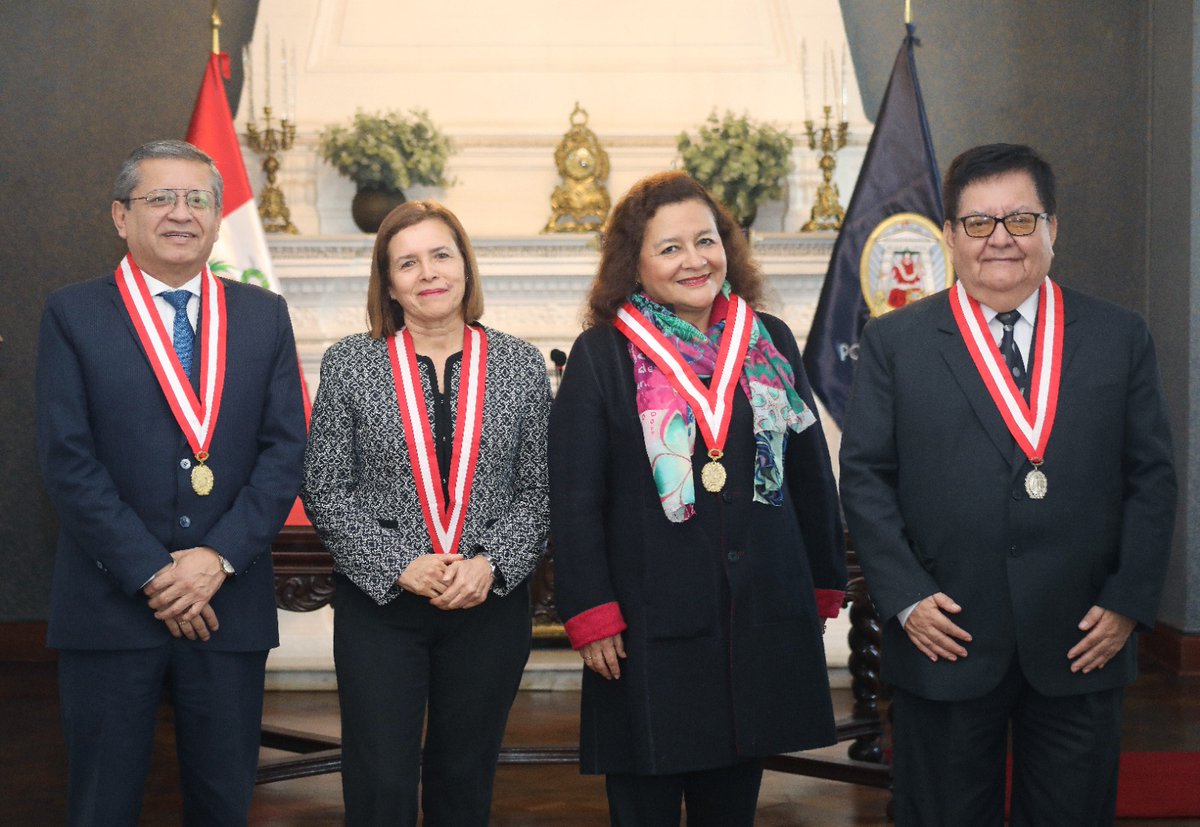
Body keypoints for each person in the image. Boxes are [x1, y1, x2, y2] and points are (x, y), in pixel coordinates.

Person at [839, 143, 1177, 826]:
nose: (1000, 239)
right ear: (949, 236)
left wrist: (1128, 602)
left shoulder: (1119, 336)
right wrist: (904, 597)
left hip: (1084, 637)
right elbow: (866, 478)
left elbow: (1153, 477)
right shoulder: (896, 342)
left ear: (1053, 228)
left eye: (1021, 220)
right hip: (946, 634)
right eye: (978, 222)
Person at [549, 171, 847, 826]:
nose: (695, 260)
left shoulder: (768, 338)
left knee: (730, 808)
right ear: (635, 263)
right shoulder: (601, 356)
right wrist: (592, 610)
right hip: (645, 629)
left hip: (755, 616)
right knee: (643, 807)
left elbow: (808, 471)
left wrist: (821, 581)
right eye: (671, 247)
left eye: (706, 241)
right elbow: (574, 497)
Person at [36, 139, 307, 826]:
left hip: (227, 607)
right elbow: (68, 460)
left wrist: (214, 559)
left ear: (219, 220)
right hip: (110, 608)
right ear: (121, 217)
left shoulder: (262, 316)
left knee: (223, 802)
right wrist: (157, 573)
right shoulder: (72, 316)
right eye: (161, 198)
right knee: (103, 803)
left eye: (197, 199)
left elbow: (284, 453)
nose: (181, 213)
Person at [301, 201, 550, 827]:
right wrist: (397, 564)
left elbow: (542, 492)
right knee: (380, 777)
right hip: (383, 606)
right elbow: (326, 487)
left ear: (465, 265)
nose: (428, 273)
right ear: (388, 283)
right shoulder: (351, 363)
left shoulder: (520, 365)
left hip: (487, 602)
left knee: (464, 776)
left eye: (441, 254)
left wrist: (492, 565)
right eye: (407, 262)